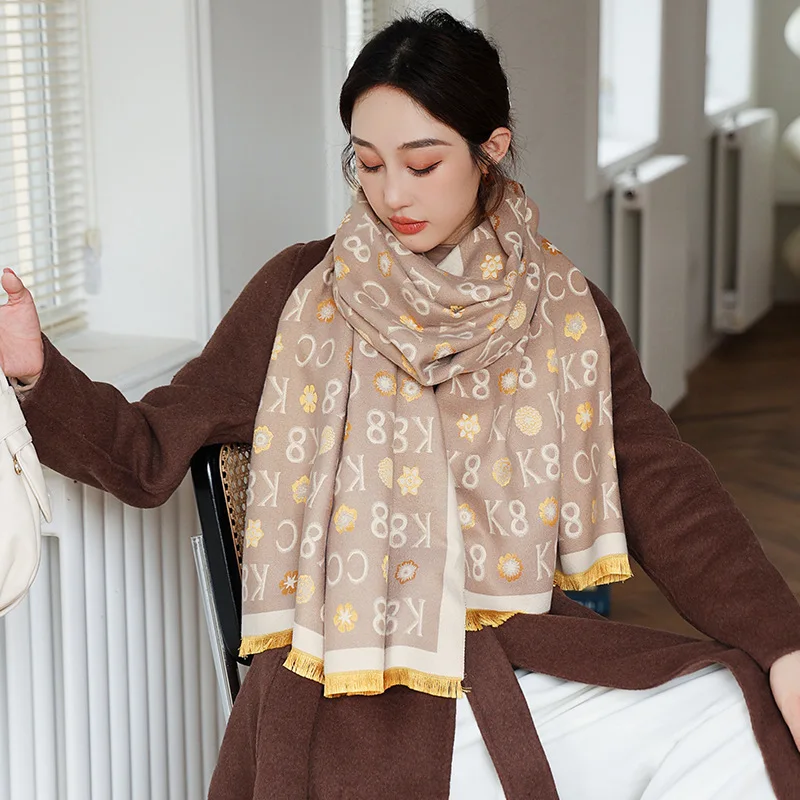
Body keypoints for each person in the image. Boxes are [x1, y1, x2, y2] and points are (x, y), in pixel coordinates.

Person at [2, 10, 800, 799]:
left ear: (491, 149)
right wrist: (37, 367)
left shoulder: (563, 311)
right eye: (369, 163)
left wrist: (785, 647)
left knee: (738, 717)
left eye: (422, 164)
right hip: (357, 698)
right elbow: (146, 451)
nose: (391, 193)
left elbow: (662, 485)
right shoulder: (299, 294)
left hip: (523, 659)